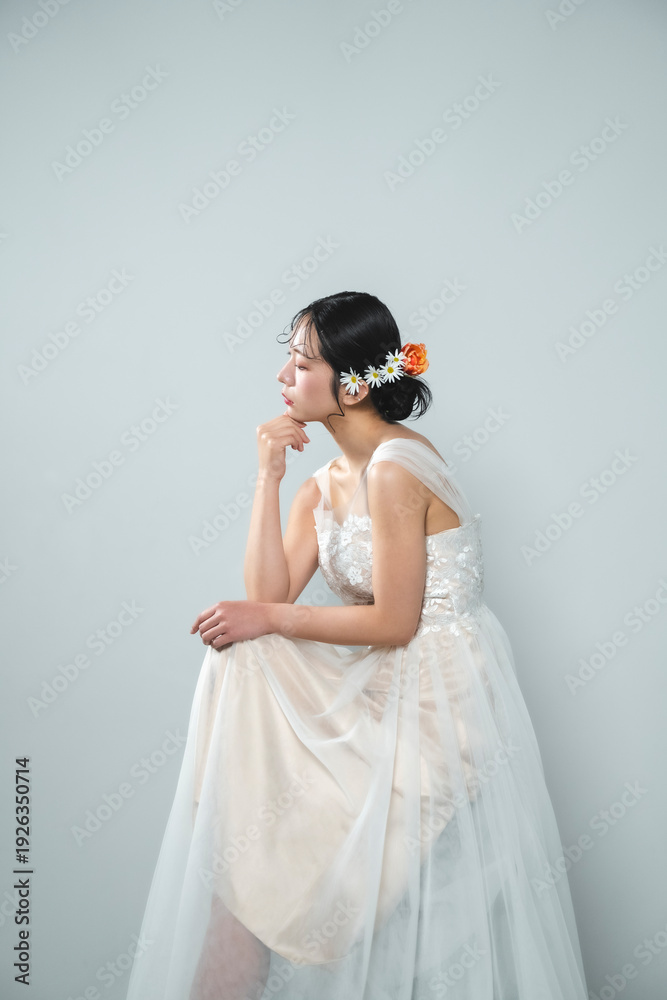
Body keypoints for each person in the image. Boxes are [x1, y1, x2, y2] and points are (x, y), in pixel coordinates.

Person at [124, 291, 590, 1000]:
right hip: (375, 689)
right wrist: (267, 477)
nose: (283, 376)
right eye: (287, 359)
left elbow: (395, 623)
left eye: (301, 362)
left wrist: (268, 618)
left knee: (275, 854)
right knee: (241, 663)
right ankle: (243, 880)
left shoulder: (398, 468)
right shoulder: (322, 487)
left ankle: (250, 894)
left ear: (351, 385)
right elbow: (267, 597)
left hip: (440, 702)